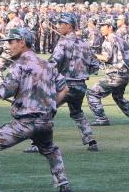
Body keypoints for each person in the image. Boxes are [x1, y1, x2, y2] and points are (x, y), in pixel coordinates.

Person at [0, 27, 72, 192]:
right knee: (50, 149)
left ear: (22, 42)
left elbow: (6, 90)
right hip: (45, 122)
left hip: (25, 123)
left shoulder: (19, 65)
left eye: (11, 42)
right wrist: (50, 106)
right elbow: (65, 90)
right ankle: (63, 183)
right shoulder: (47, 64)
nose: (8, 46)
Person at [35, 12, 99, 152]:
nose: (58, 26)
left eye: (61, 24)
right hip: (80, 86)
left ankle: (38, 144)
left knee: (46, 111)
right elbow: (95, 66)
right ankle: (90, 140)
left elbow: (53, 63)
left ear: (69, 26)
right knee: (77, 113)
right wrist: (81, 73)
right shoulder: (85, 44)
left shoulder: (63, 43)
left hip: (64, 86)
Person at [87, 18, 129, 125]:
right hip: (124, 75)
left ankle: (101, 119)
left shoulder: (108, 40)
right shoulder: (121, 40)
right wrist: (124, 66)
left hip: (114, 76)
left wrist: (92, 54)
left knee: (92, 93)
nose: (101, 28)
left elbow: (106, 58)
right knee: (118, 97)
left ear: (110, 27)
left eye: (103, 26)